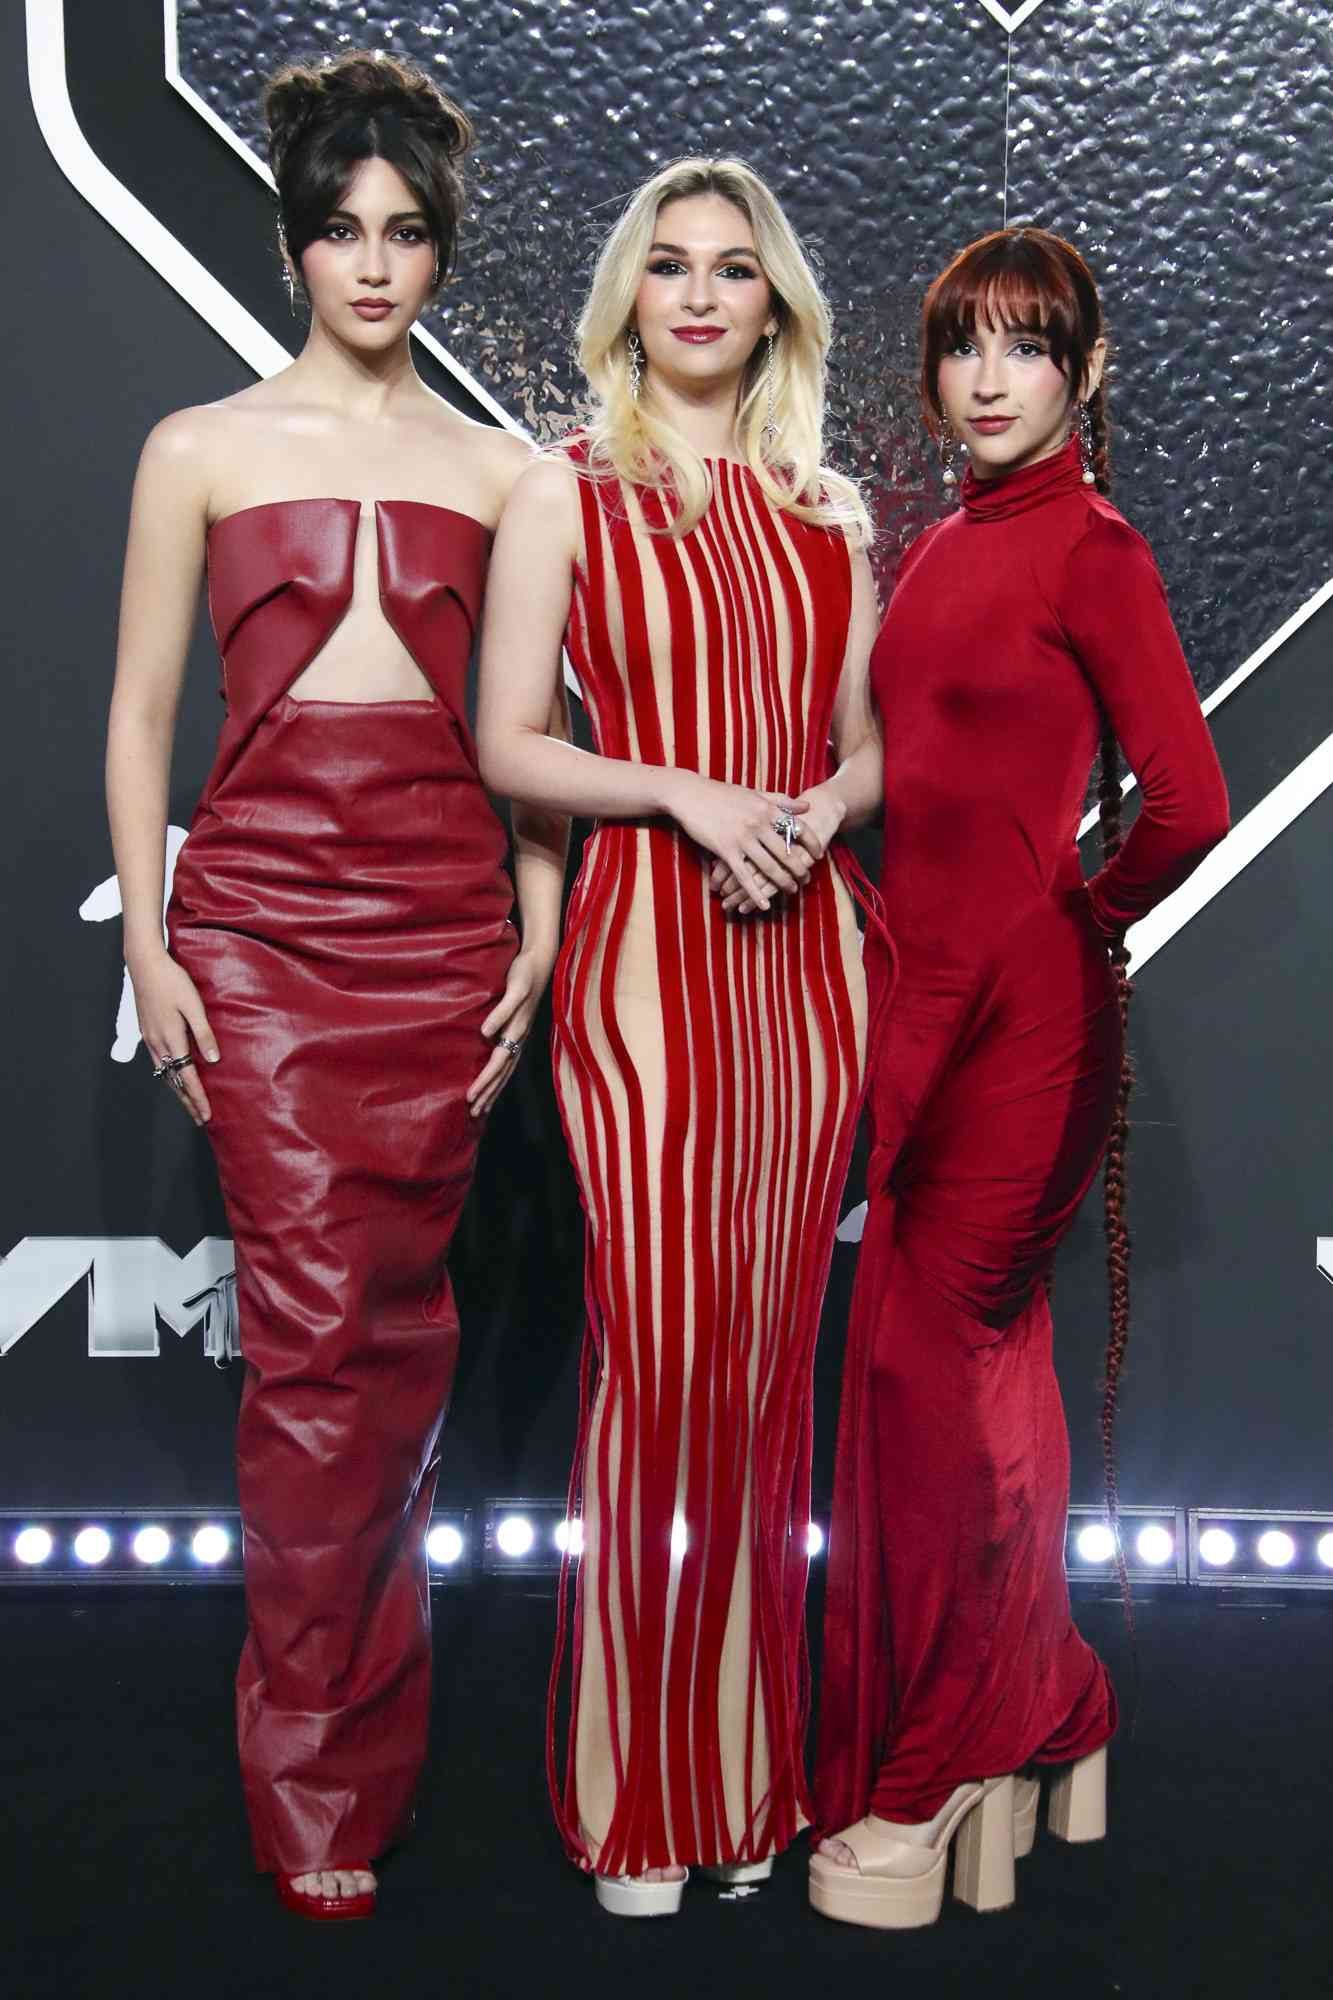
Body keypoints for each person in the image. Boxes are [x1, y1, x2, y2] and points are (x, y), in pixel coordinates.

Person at [105, 50, 565, 1921]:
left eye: (403, 235)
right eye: (338, 232)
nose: (370, 266)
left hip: (448, 931)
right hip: (268, 940)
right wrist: (154, 935)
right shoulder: (199, 450)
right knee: (310, 1371)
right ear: (294, 243)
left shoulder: (506, 471)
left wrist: (536, 930)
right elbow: (143, 723)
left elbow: (520, 736)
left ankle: (367, 1731)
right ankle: (316, 1776)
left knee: (399, 1369)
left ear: (438, 252)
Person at [809, 226, 1230, 1930]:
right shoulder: (942, 553)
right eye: (961, 348)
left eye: (1024, 348)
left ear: (1082, 372)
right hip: (927, 1018)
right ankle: (1045, 1705)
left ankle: (950, 1758)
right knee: (982, 1384)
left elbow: (1185, 799)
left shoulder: (1090, 548)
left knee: (929, 1386)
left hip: (1025, 1035)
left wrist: (1079, 916)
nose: (985, 380)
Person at [478, 157, 881, 1916]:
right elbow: (509, 743)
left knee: (761, 1375)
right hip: (640, 949)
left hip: (805, 964)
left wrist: (803, 809)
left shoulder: (832, 513)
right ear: (626, 299)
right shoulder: (557, 490)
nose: (700, 295)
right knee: (654, 1369)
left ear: (773, 302)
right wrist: (691, 798)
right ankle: (635, 1793)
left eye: (732, 269)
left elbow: (873, 752)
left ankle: (743, 1781)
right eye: (668, 268)